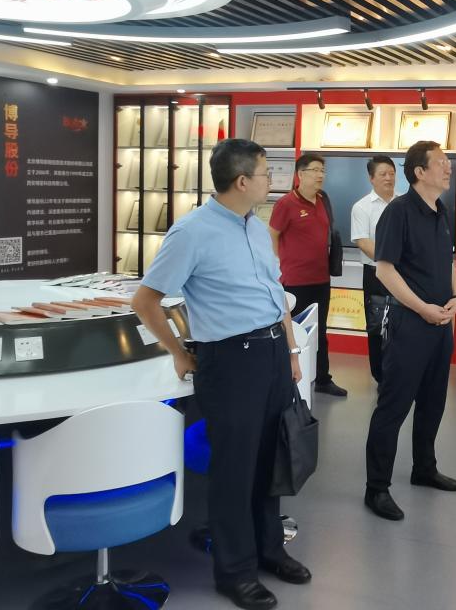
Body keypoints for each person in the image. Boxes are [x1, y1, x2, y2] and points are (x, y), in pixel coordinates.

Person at [132, 139, 311, 610]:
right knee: (235, 470)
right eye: (266, 173)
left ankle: (270, 550)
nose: (273, 181)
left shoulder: (256, 227)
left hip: (272, 354)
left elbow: (274, 292)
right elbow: (146, 300)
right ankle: (235, 573)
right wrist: (177, 352)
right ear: (242, 181)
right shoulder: (191, 232)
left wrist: (291, 351)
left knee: (271, 461)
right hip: (231, 362)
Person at [363, 141, 456, 521]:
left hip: (441, 324)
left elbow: (448, 261)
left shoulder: (441, 210)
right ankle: (376, 488)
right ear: (419, 172)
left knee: (433, 401)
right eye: (440, 163)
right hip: (410, 323)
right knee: (393, 406)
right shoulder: (398, 212)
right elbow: (384, 270)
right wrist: (422, 308)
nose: (448, 167)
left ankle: (424, 468)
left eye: (447, 162)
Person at [269, 153, 347, 397]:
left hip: (321, 278)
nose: (320, 175)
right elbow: (272, 235)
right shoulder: (286, 204)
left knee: (320, 331)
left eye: (322, 170)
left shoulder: (324, 200)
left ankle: (322, 378)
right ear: (300, 174)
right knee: (292, 332)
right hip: (294, 280)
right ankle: (288, 379)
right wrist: (277, 265)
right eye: (315, 170)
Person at [350, 154, 398, 383]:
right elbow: (363, 242)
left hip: (404, 274)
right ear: (371, 178)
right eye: (383, 174)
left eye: (392, 173)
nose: (389, 178)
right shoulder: (362, 207)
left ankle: (400, 375)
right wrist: (391, 260)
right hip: (376, 274)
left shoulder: (405, 202)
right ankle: (381, 377)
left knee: (402, 324)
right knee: (378, 326)